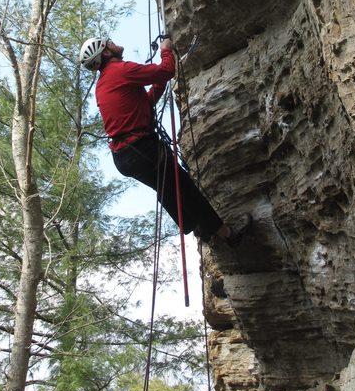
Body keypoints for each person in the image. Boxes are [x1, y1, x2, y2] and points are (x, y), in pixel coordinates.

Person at [79, 36, 247, 244]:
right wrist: (166, 50)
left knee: (167, 188)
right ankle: (227, 235)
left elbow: (144, 105)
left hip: (124, 157)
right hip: (143, 148)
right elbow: (166, 70)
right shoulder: (121, 70)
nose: (114, 42)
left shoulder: (103, 84)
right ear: (105, 53)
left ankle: (198, 229)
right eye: (109, 42)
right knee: (182, 185)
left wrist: (159, 84)